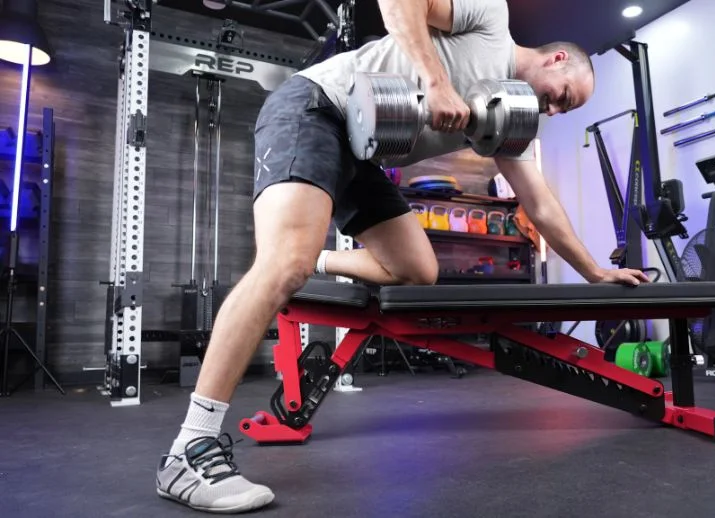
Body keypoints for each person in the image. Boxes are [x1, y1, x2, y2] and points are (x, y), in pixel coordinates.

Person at [154, 0, 651, 513]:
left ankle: (310, 263)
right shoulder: (490, 22)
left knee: (418, 270)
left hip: (360, 151)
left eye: (562, 112)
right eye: (563, 99)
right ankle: (189, 450)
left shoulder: (509, 123)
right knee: (282, 264)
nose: (553, 111)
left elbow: (540, 204)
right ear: (556, 61)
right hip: (319, 105)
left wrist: (594, 270)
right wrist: (436, 82)